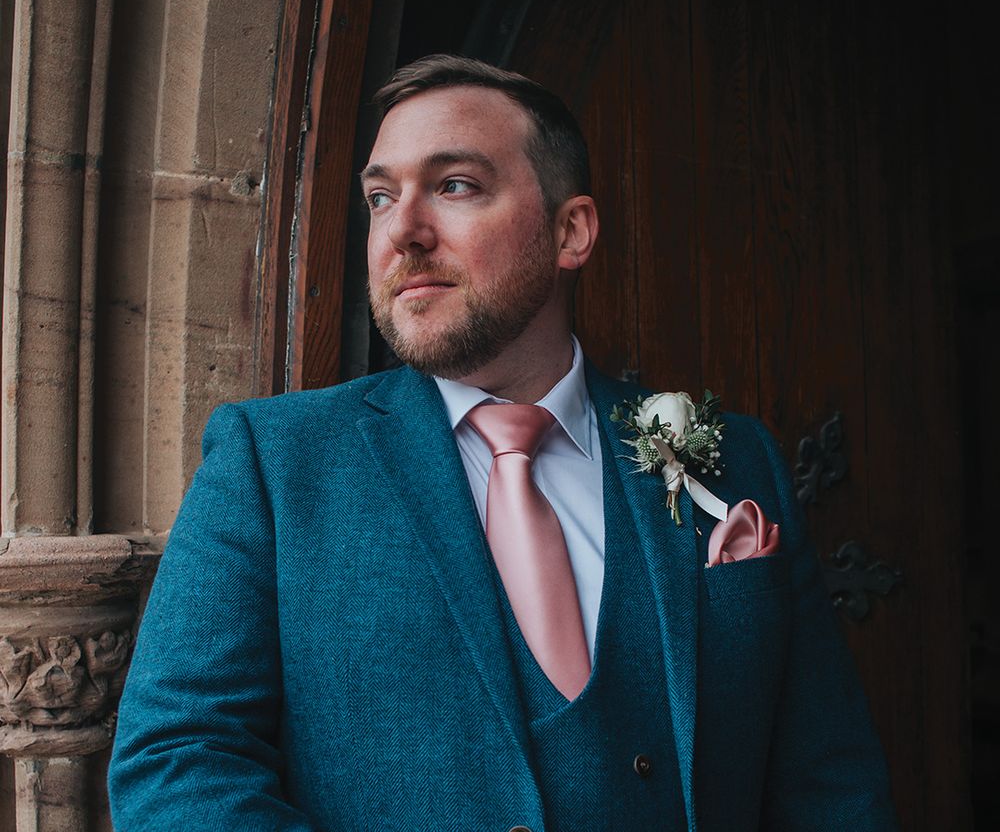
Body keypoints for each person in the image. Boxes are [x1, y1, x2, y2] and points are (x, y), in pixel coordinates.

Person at [108, 55, 897, 831]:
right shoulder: (275, 464)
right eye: (381, 199)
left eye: (455, 186)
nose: (403, 233)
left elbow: (828, 779)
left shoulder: (734, 456)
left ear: (571, 231)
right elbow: (177, 764)